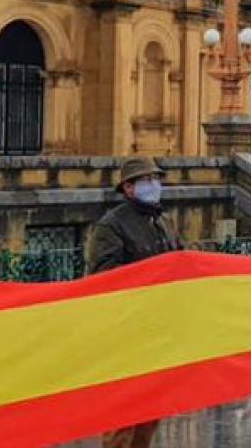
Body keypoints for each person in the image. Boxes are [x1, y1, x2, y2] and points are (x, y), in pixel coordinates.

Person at [87, 157, 183, 448]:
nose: (154, 185)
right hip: (126, 331)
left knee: (151, 411)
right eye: (146, 180)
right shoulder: (112, 225)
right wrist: (152, 277)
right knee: (122, 412)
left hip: (158, 328)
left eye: (156, 179)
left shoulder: (163, 221)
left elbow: (180, 259)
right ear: (128, 188)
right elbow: (104, 276)